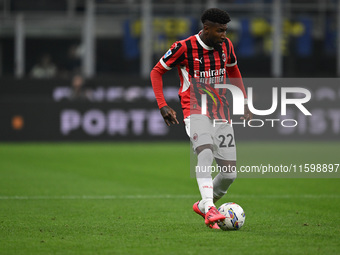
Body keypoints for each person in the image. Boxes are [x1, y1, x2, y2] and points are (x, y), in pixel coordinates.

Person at [150, 8, 252, 229]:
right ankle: (210, 208)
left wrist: (243, 101)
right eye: (220, 31)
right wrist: (163, 104)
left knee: (229, 174)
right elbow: (156, 71)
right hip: (194, 110)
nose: (224, 35)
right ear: (206, 29)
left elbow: (234, 71)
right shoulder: (182, 47)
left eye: (226, 30)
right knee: (204, 152)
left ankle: (204, 206)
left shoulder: (226, 46)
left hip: (221, 113)